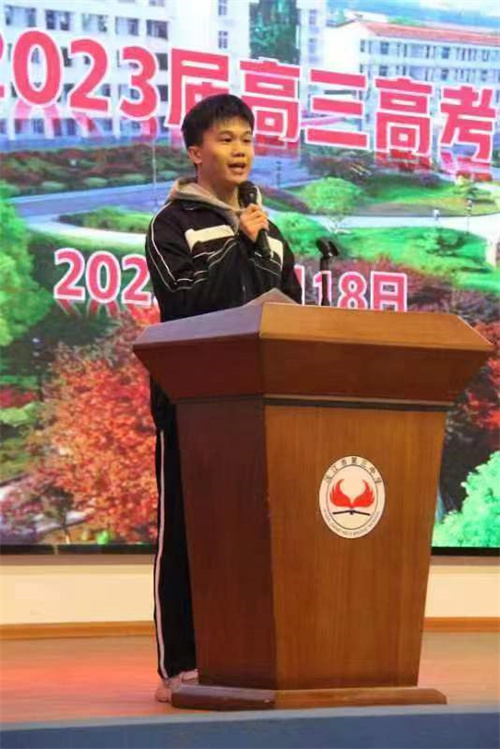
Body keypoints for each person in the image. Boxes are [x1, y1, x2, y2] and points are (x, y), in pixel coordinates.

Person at [145, 93, 302, 703]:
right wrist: (237, 241)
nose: (240, 150)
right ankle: (180, 663)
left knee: (253, 535)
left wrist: (255, 242)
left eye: (247, 138)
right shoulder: (172, 224)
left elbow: (289, 312)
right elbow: (182, 302)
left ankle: (247, 657)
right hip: (191, 405)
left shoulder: (271, 231)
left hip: (259, 406)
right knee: (185, 536)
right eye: (225, 138)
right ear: (195, 152)